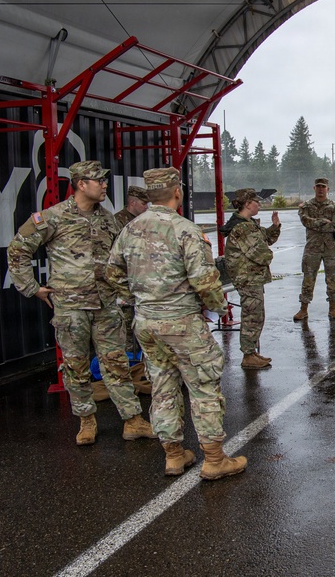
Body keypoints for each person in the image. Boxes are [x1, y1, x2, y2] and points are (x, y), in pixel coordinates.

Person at [107, 167, 246, 480]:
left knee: (163, 385)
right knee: (203, 385)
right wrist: (219, 307)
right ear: (177, 192)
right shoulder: (185, 229)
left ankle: (173, 455)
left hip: (146, 322)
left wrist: (137, 299)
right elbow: (204, 279)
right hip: (181, 322)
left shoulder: (130, 229)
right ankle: (213, 460)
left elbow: (112, 271)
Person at [7, 160, 155, 446]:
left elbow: (121, 258)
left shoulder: (109, 219)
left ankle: (132, 420)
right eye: (98, 180)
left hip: (106, 305)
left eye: (104, 180)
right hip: (71, 308)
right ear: (81, 184)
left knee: (116, 362)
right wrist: (32, 288)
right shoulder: (53, 217)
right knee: (76, 365)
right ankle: (86, 420)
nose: (104, 185)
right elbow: (18, 249)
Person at [223, 188, 280, 370]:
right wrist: (268, 255)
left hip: (251, 277)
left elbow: (266, 238)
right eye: (256, 201)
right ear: (247, 204)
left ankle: (251, 351)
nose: (259, 204)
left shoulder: (247, 224)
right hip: (247, 278)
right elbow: (260, 252)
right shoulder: (243, 227)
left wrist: (275, 226)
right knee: (252, 316)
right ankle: (248, 355)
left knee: (255, 314)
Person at [293, 177, 335, 321]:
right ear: (314, 188)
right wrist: (323, 221)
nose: (321, 189)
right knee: (308, 279)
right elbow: (305, 221)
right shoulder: (306, 207)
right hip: (312, 248)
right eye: (318, 186)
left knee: (333, 279)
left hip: (331, 249)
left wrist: (314, 223)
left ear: (328, 189)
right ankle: (303, 310)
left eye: (323, 187)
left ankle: (333, 309)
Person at [113, 185, 151, 357]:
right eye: (143, 203)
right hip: (124, 284)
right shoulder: (117, 222)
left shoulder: (144, 222)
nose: (146, 207)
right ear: (132, 202)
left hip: (142, 282)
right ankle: (131, 369)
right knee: (127, 329)